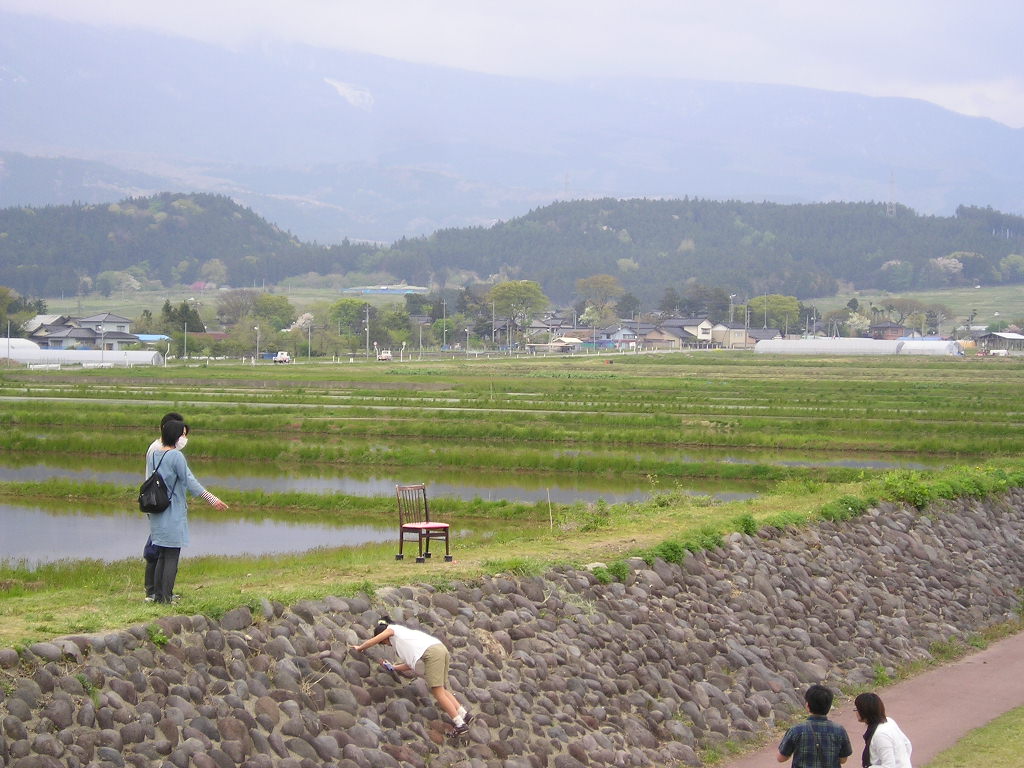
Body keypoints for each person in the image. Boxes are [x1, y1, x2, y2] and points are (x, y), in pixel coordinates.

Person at [146, 419, 228, 603]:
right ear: (175, 436)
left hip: (157, 510)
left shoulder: (153, 454)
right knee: (172, 555)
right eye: (182, 434)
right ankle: (166, 598)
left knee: (161, 554)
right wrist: (212, 499)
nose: (184, 438)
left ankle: (158, 596)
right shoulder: (176, 457)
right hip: (172, 510)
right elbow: (189, 482)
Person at [350, 616, 474, 736]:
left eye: (384, 643)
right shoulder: (404, 638)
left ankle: (459, 724)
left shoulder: (393, 629)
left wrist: (360, 647)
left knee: (438, 693)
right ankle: (464, 715)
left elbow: (376, 639)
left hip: (432, 653)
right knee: (441, 689)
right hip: (440, 649)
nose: (387, 645)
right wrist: (393, 667)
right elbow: (410, 664)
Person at [143, 412, 183, 601]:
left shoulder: (166, 451)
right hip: (159, 504)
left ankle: (159, 592)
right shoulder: (157, 450)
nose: (184, 438)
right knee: (157, 550)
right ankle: (154, 592)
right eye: (182, 434)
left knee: (159, 548)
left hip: (160, 504)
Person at [777, 684, 853, 767]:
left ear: (807, 706)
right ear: (829, 706)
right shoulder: (839, 730)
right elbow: (843, 760)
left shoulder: (796, 730)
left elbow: (781, 758)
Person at [854, 693, 913, 768]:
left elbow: (889, 766)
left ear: (864, 711)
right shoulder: (889, 721)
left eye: (856, 709)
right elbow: (907, 745)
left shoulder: (880, 735)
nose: (855, 712)